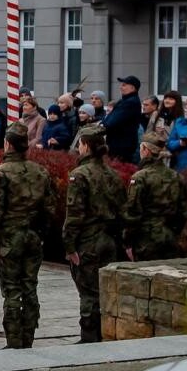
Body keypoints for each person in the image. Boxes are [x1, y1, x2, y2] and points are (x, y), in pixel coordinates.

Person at [0, 122, 55, 349]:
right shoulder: (40, 171)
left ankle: (14, 341)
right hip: (32, 236)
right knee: (30, 287)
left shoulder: (1, 173)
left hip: (10, 238)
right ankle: (28, 337)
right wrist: (41, 233)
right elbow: (49, 208)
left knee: (12, 290)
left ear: (7, 144)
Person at [62, 125, 124, 344]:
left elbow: (74, 214)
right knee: (104, 291)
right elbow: (121, 210)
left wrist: (69, 246)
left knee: (88, 292)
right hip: (109, 239)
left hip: (88, 241)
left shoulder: (79, 175)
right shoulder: (113, 174)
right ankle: (103, 333)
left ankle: (89, 338)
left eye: (80, 144)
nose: (78, 148)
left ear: (86, 146)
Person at [123, 133, 186, 262]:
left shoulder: (140, 177)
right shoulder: (175, 176)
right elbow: (183, 211)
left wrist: (127, 241)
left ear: (145, 150)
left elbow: (133, 212)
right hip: (169, 236)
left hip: (146, 239)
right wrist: (174, 231)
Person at [100, 76, 143, 163]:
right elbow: (109, 117)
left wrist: (101, 126)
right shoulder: (124, 101)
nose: (121, 87)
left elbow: (112, 121)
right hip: (117, 144)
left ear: (132, 88)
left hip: (122, 146)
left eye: (124, 85)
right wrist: (102, 123)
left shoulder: (131, 103)